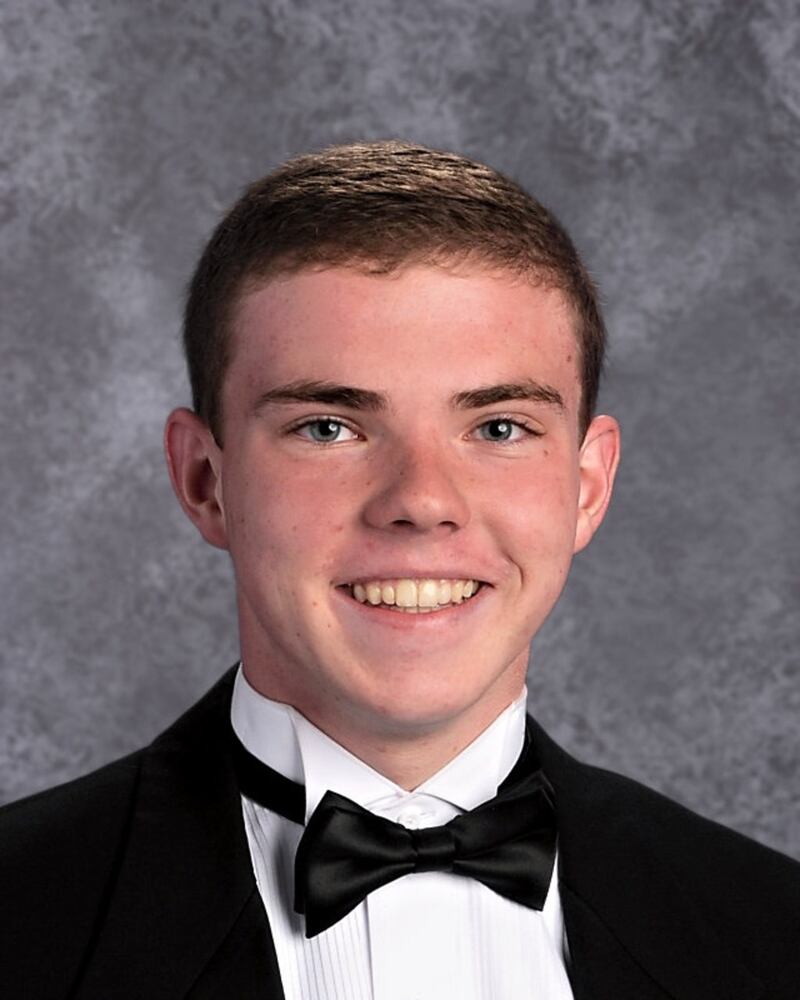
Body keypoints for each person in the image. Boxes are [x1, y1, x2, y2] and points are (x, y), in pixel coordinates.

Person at [1, 140, 798, 1000]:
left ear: (587, 488)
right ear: (205, 481)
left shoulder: (771, 932)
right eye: (328, 428)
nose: (421, 501)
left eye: (498, 428)